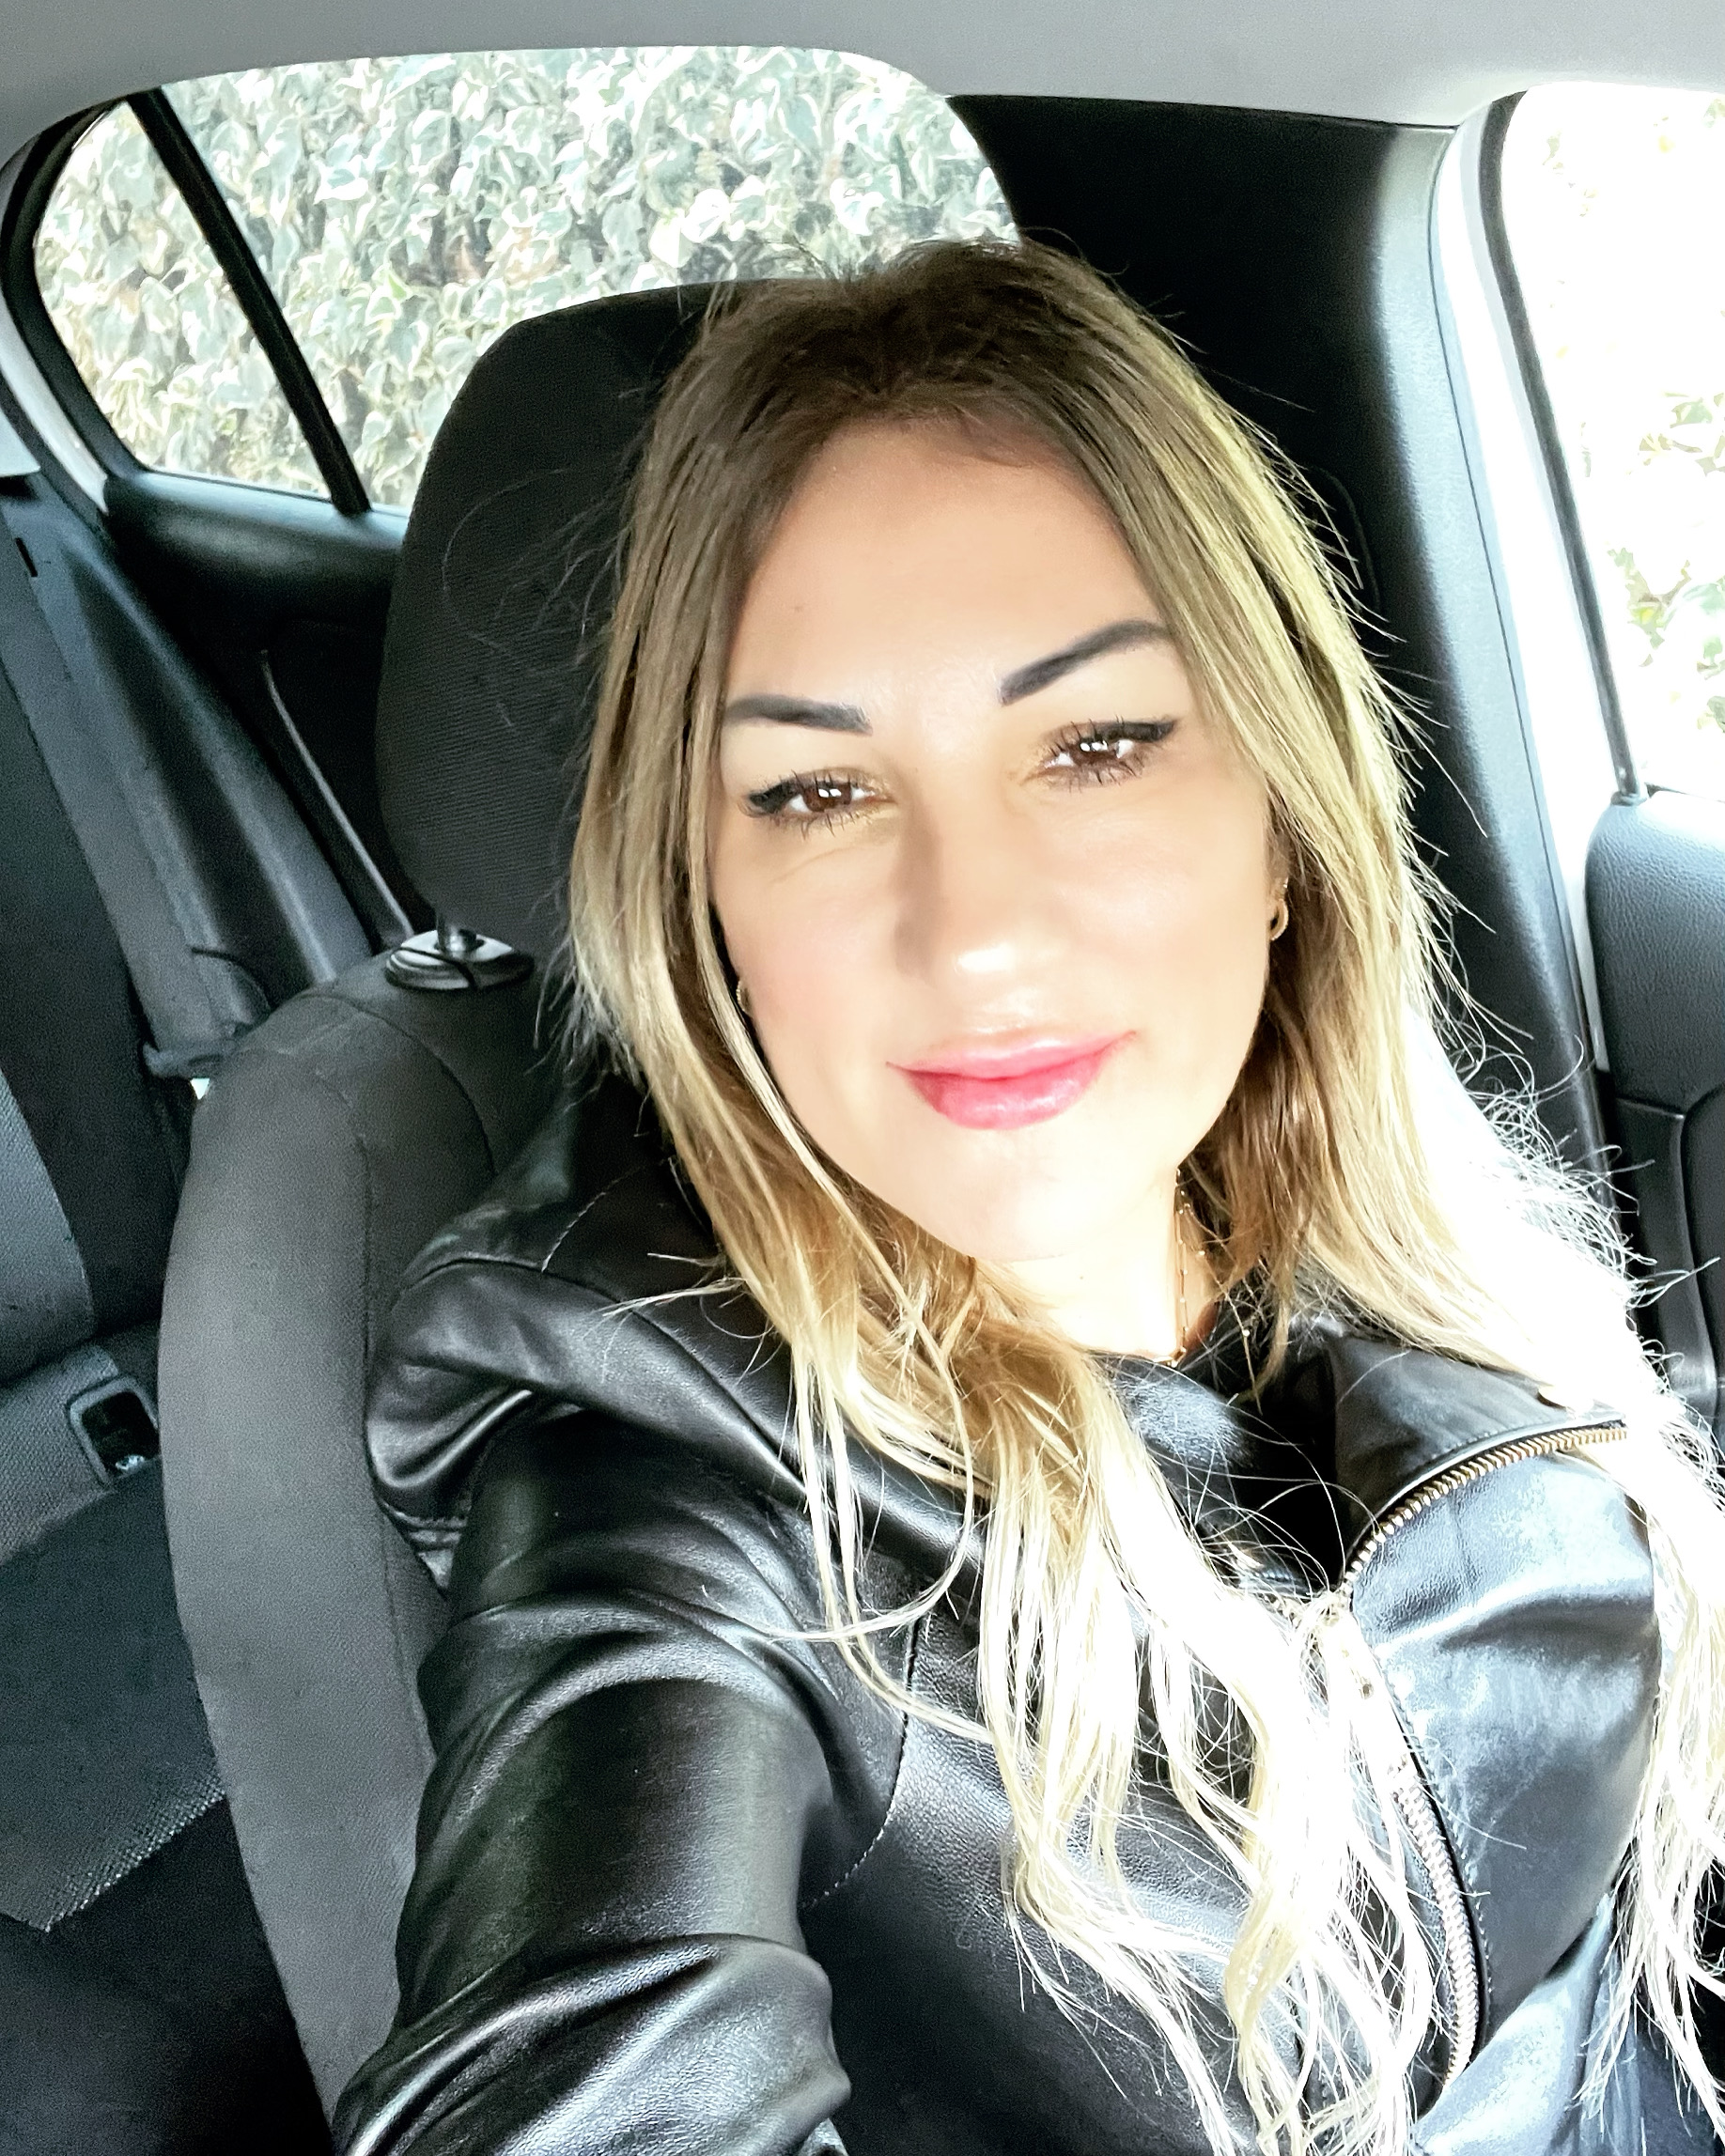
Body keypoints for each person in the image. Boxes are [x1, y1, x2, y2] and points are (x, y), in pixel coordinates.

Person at [334, 240, 1725, 2155]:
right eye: (815, 792)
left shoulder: (1423, 1256)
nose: (974, 934)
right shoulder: (673, 1503)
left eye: (1095, 746)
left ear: (1282, 823)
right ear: (706, 898)